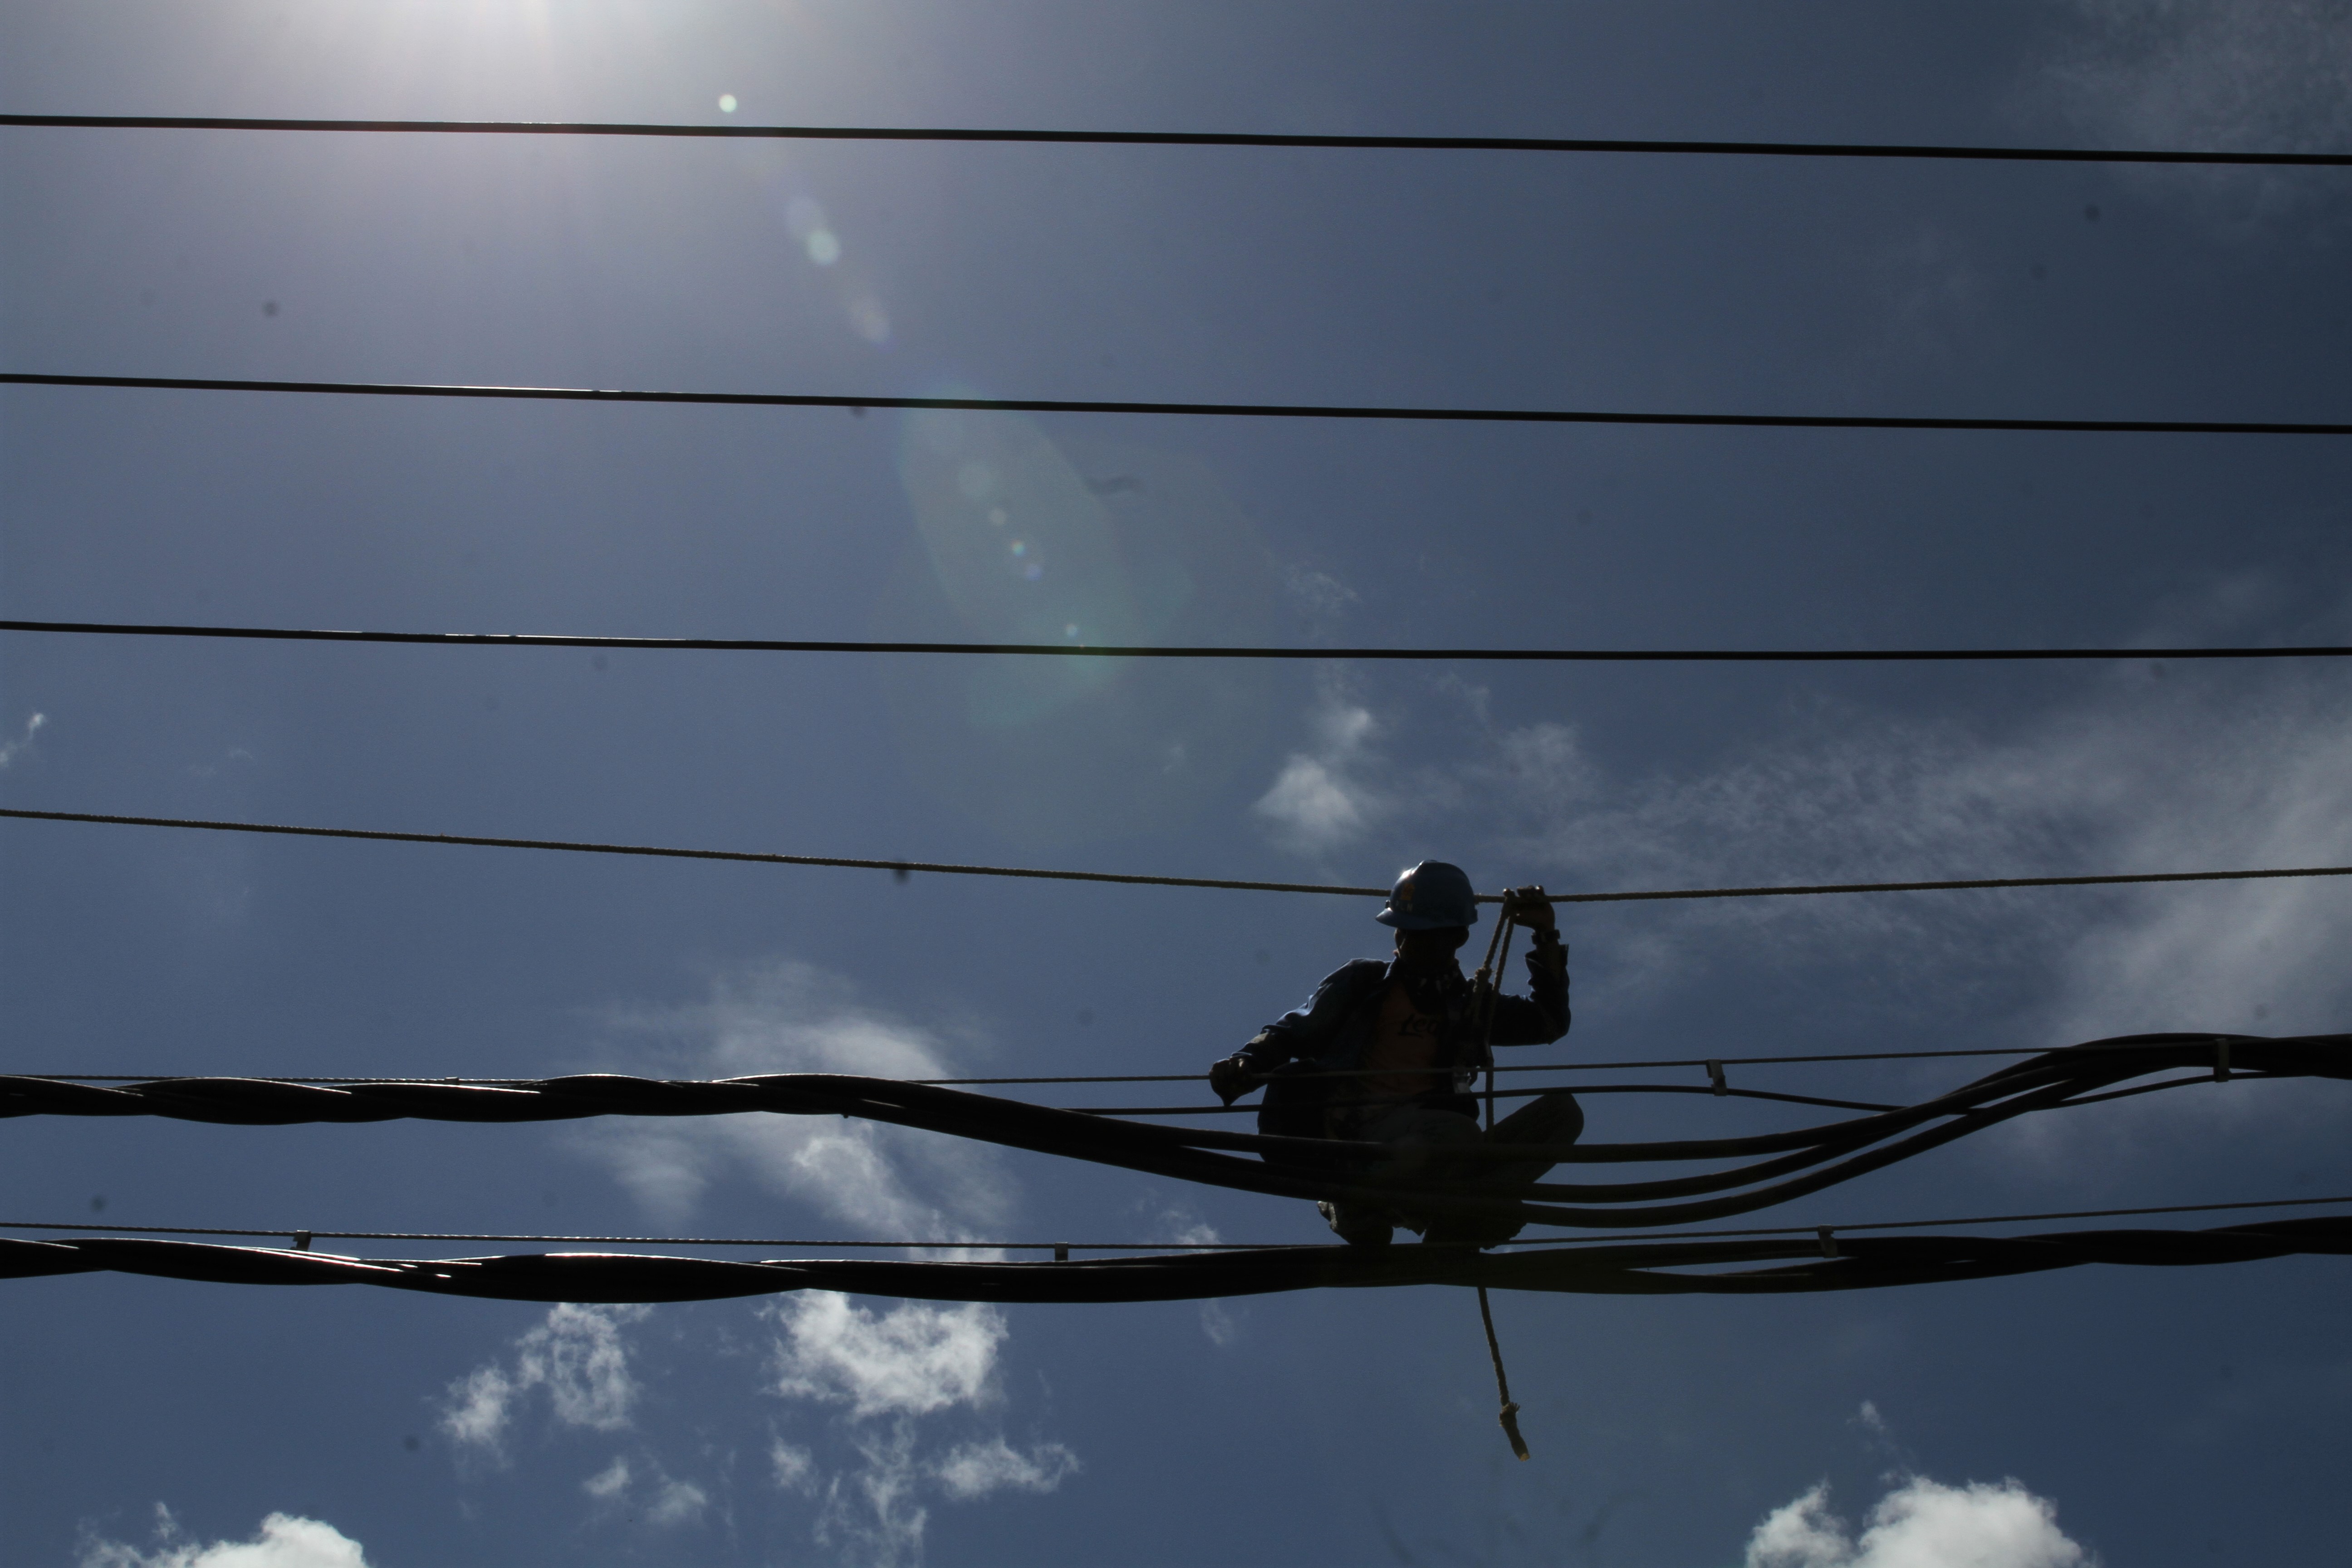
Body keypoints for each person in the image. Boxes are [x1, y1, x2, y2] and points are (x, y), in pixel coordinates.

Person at [1209, 861, 1576, 1248]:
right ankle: (1358, 1201)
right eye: (1402, 929)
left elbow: (1547, 1024)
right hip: (1358, 1139)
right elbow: (1296, 1030)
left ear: (1457, 937)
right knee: (1456, 1134)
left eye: (1418, 932)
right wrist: (1246, 1063)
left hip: (1434, 1147)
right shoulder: (1366, 982)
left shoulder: (1469, 1003)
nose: (1403, 939)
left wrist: (1545, 935)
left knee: (1561, 1115)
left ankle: (1456, 1218)